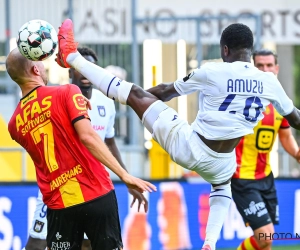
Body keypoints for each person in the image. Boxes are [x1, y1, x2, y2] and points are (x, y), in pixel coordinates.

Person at [55, 19, 300, 250]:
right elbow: (295, 119)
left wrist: (137, 99)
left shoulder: (213, 71)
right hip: (224, 160)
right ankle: (210, 243)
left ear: (225, 50)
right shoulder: (269, 82)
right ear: (250, 50)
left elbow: (165, 91)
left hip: (191, 147)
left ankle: (72, 55)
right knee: (222, 185)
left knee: (135, 95)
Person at [6, 48, 156, 250]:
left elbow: (49, 128)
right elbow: (87, 136)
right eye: (41, 62)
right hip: (95, 192)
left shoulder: (14, 124)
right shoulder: (67, 92)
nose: (44, 65)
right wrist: (124, 175)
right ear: (35, 69)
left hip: (58, 202)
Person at [232, 49, 300, 250]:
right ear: (252, 68)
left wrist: (296, 153)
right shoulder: (240, 99)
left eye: (269, 65)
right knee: (266, 236)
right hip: (241, 177)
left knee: (265, 243)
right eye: (260, 65)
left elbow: (285, 135)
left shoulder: (281, 103)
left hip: (266, 177)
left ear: (276, 69)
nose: (265, 69)